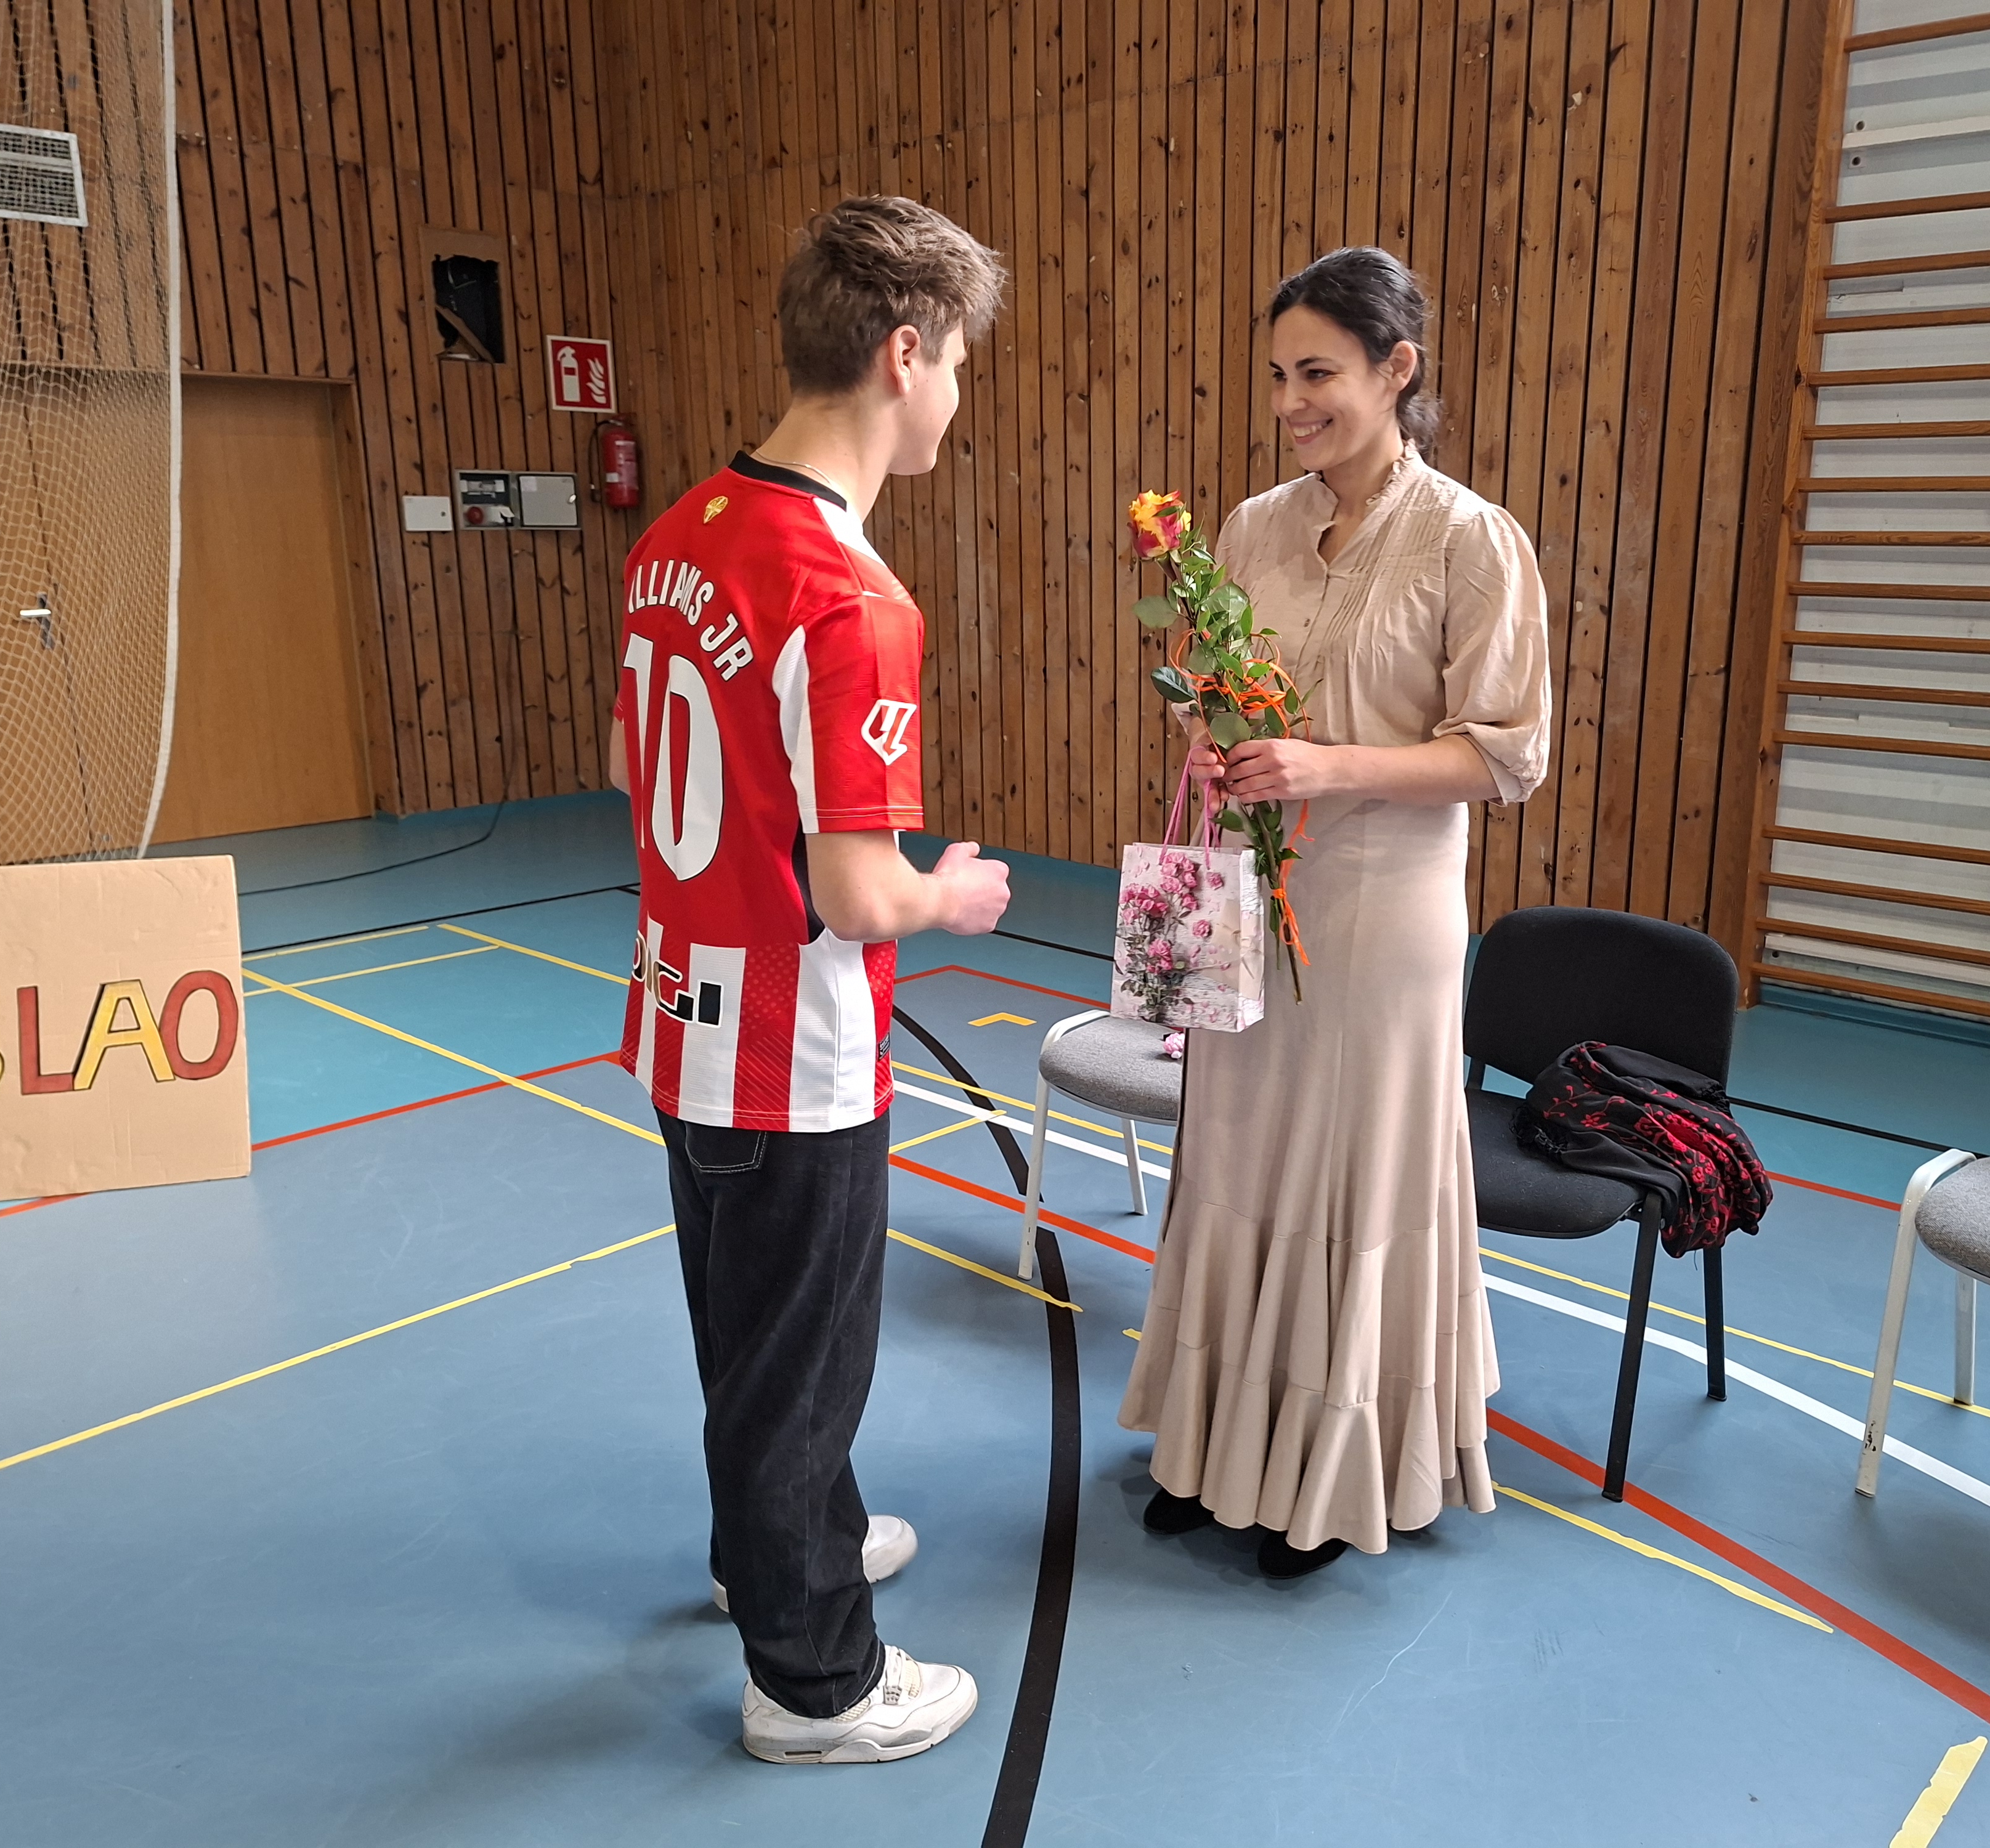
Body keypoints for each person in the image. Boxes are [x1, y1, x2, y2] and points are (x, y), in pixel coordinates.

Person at [605, 196, 1012, 1763]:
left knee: (748, 1340)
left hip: (676, 1016)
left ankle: (777, 1549)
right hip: (789, 1051)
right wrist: (953, 894)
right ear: (904, 355)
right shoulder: (851, 595)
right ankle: (814, 1682)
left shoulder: (676, 536)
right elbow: (856, 891)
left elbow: (643, 773)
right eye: (957, 363)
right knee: (804, 1364)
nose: (957, 396)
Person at [1119, 247, 1554, 1578]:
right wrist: (1211, 742)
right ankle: (1217, 1447)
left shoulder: (1470, 539)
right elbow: (1215, 690)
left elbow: (1505, 756)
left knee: (1347, 1179)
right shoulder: (1250, 528)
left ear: (1396, 368)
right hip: (1251, 896)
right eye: (1277, 376)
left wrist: (1324, 768)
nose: (1289, 403)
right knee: (1235, 1161)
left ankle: (1329, 1465)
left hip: (1381, 918)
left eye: (1316, 373)